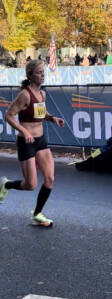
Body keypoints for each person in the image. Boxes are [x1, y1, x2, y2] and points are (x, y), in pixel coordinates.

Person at [0, 59, 64, 227]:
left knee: (49, 178)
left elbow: (41, 113)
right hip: (26, 142)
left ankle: (37, 214)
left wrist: (52, 118)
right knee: (31, 185)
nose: (42, 75)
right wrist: (24, 131)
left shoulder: (42, 94)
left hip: (41, 141)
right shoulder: (24, 95)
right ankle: (6, 184)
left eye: (43, 72)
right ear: (29, 75)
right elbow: (8, 115)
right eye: (39, 72)